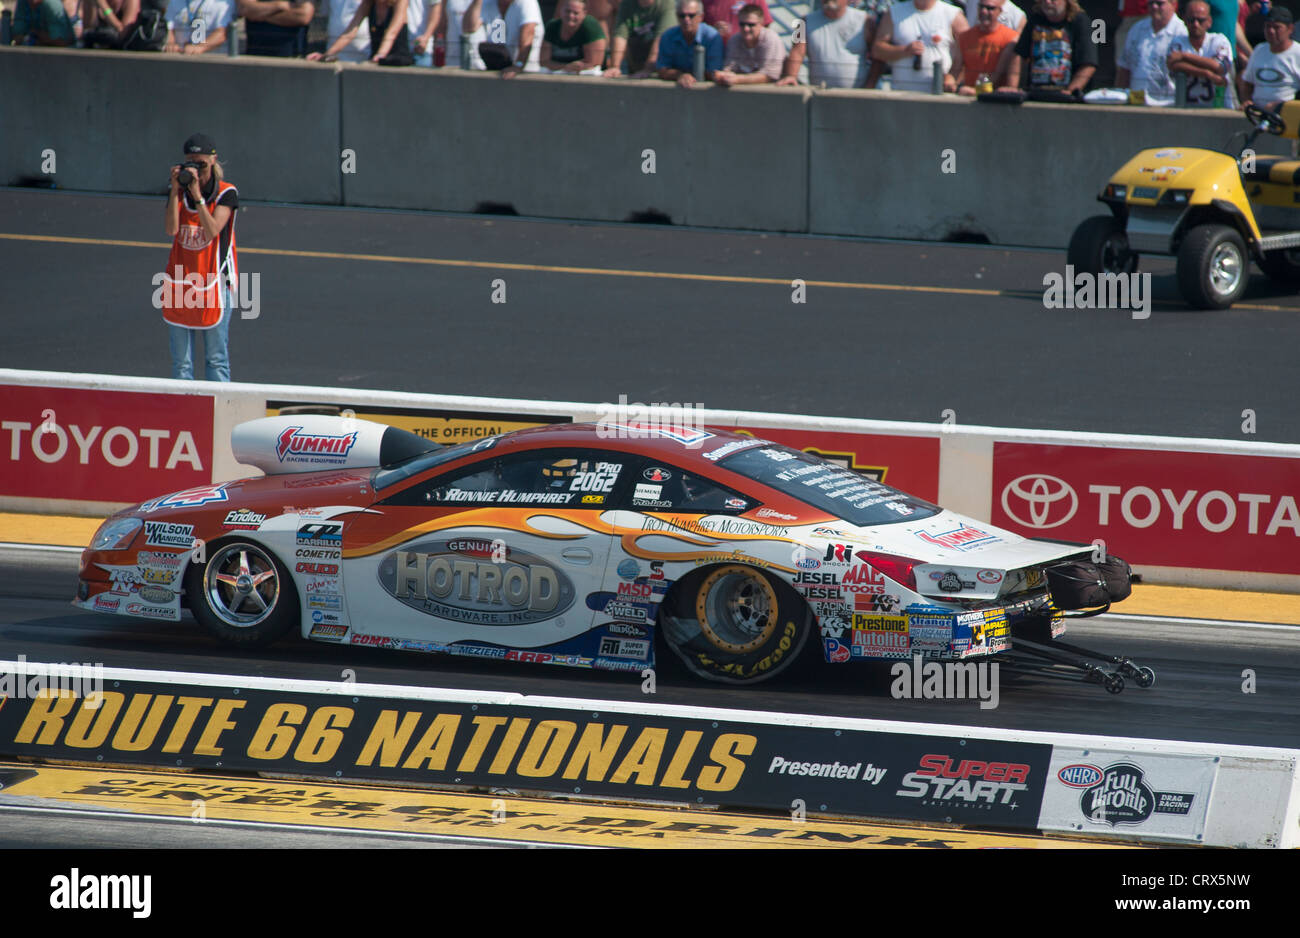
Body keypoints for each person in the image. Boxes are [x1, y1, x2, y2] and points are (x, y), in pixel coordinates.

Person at [162, 134, 238, 383]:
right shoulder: (179, 193)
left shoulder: (226, 193)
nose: (196, 171)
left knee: (216, 359)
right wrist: (175, 191)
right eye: (190, 164)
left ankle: (220, 412)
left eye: (201, 164)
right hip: (181, 283)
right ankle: (183, 414)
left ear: (213, 160)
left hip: (214, 282)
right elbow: (171, 229)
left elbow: (213, 229)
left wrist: (197, 196)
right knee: (182, 363)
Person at [1003, 0, 1097, 94]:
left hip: (1067, 95)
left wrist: (1070, 91)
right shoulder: (1035, 20)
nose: (1047, 2)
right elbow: (1018, 55)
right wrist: (1012, 87)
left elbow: (1089, 64)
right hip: (1035, 92)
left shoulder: (1081, 21)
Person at [873, 0, 967, 92]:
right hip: (901, 95)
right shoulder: (894, 11)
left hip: (940, 96)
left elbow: (969, 54)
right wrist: (904, 51)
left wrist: (953, 79)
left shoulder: (953, 14)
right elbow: (877, 50)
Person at [776, 0, 871, 88]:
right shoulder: (802, 22)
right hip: (820, 95)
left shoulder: (866, 20)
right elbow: (796, 52)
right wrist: (790, 76)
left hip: (858, 96)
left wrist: (871, 85)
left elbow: (877, 58)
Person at [1116, 0, 1187, 104]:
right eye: (1150, 3)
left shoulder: (1182, 32)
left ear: (1173, 4)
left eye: (1159, 3)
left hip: (1168, 104)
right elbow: (1124, 69)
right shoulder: (1136, 29)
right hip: (1137, 103)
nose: (1154, 7)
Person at [1168, 0, 1235, 105]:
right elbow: (1173, 64)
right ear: (1184, 20)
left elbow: (1219, 67)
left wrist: (1184, 56)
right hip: (1187, 111)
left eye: (1200, 20)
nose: (1196, 24)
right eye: (1191, 20)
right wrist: (1206, 73)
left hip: (1219, 109)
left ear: (1209, 22)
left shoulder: (1219, 41)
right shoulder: (1178, 41)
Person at [309, 0, 411, 63]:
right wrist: (326, 54)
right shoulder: (368, 3)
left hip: (397, 59)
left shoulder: (400, 2)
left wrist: (381, 55)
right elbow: (350, 31)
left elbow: (391, 33)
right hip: (376, 60)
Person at [953, 0, 1019, 93]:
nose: (984, 11)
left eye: (990, 8)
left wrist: (977, 90)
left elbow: (998, 74)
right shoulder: (965, 37)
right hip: (968, 97)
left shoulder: (1011, 38)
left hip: (995, 98)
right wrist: (950, 82)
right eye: (981, 7)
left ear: (1000, 11)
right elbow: (956, 69)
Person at [1240, 5, 1300, 108]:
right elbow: (1247, 83)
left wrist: (1282, 106)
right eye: (1268, 26)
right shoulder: (1259, 50)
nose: (1271, 31)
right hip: (1257, 114)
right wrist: (1247, 101)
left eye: (1277, 27)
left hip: (1287, 117)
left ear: (1290, 29)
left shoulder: (1297, 53)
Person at [654, 0, 723, 86]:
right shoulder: (668, 37)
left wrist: (691, 77)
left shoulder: (712, 37)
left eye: (691, 15)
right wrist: (680, 75)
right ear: (676, 16)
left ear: (701, 17)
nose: (686, 19)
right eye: (682, 16)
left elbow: (714, 72)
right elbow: (662, 69)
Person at [462, 0, 543, 71]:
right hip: (495, 72)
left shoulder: (527, 2)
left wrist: (518, 65)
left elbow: (528, 32)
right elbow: (468, 28)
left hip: (524, 75)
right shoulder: (488, 3)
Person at [714, 2, 783, 83]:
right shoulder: (734, 40)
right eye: (742, 24)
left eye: (751, 25)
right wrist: (723, 75)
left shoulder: (771, 39)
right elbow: (730, 68)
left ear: (761, 24)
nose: (746, 29)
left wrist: (737, 79)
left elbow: (769, 76)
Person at [606, 0, 676, 76]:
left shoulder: (667, 4)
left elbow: (661, 39)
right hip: (634, 66)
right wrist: (615, 67)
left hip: (660, 70)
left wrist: (648, 69)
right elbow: (620, 35)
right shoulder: (626, 4)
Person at [538, 0, 607, 71]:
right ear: (560, 10)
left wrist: (567, 68)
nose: (571, 16)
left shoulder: (591, 26)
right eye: (567, 11)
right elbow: (543, 61)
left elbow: (594, 63)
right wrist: (566, 67)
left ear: (584, 13)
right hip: (558, 74)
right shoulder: (552, 26)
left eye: (576, 13)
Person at [238, 0, 316, 55]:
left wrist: (259, 15)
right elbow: (245, 8)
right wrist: (280, 5)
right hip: (256, 56)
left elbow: (303, 16)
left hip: (292, 58)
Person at [163, 0, 233, 52]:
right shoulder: (174, 2)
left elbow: (223, 32)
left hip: (214, 61)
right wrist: (171, 44)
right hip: (181, 58)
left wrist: (200, 47)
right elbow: (169, 27)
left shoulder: (223, 2)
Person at [701, 0, 769, 46]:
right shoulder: (705, 2)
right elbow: (698, 28)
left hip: (747, 55)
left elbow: (765, 25)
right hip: (715, 54)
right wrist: (712, 30)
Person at [11, 0, 78, 44]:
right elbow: (17, 36)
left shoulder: (52, 4)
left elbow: (60, 41)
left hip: (60, 57)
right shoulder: (23, 3)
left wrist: (37, 36)